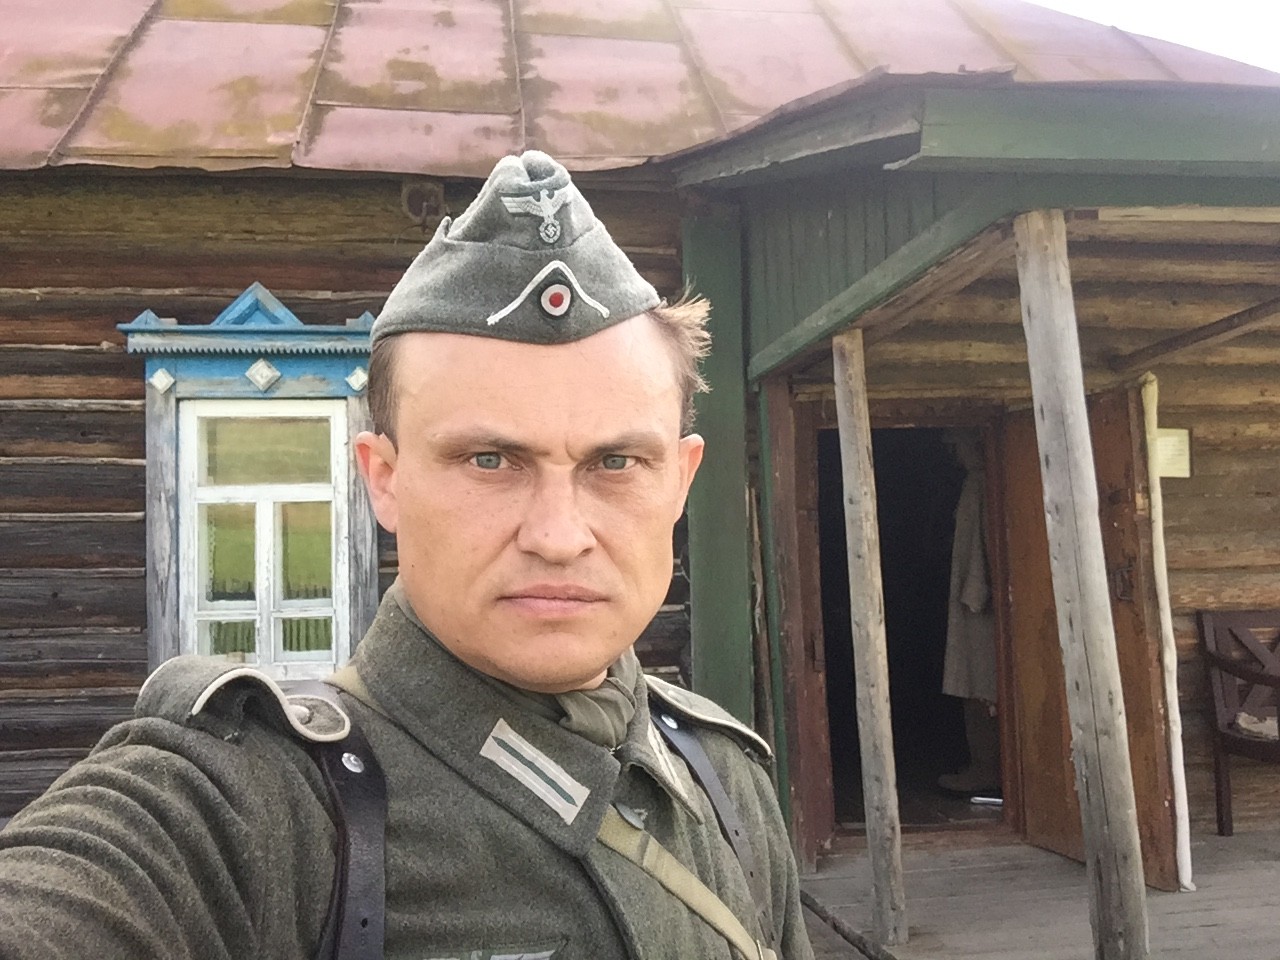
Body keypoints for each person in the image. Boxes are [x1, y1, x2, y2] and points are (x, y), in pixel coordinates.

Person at [0, 151, 815, 960]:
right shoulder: (253, 810)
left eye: (616, 462)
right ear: (383, 479)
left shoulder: (726, 780)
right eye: (491, 460)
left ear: (680, 481)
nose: (559, 534)